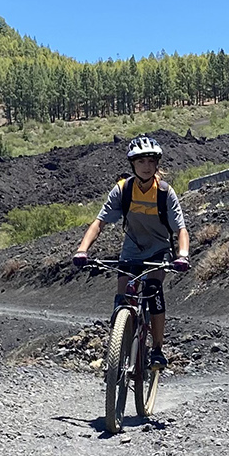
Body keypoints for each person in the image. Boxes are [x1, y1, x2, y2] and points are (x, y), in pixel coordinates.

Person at [73, 136, 190, 366]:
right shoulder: (123, 190)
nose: (146, 166)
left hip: (158, 251)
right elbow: (99, 223)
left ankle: (156, 349)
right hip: (131, 251)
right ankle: (118, 352)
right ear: (132, 165)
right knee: (122, 300)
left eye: (150, 161)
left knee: (154, 291)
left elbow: (181, 230)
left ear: (157, 164)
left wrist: (183, 255)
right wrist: (82, 250)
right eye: (140, 161)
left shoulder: (165, 193)